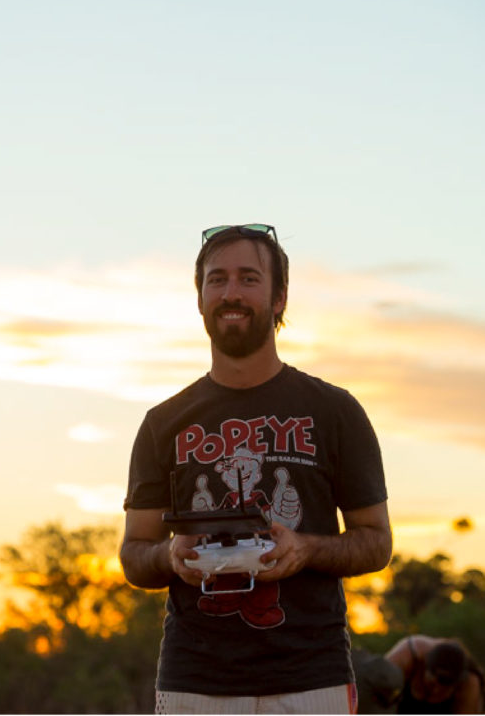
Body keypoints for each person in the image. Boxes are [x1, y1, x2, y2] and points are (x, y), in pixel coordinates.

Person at [119, 224, 392, 714]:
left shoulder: (335, 411)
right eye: (217, 279)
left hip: (312, 680)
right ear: (200, 299)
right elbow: (135, 554)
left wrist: (306, 549)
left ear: (279, 297)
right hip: (194, 684)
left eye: (249, 278)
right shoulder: (163, 423)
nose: (231, 293)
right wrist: (171, 556)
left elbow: (376, 542)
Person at [384, 635, 485, 713]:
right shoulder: (405, 657)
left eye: (446, 687)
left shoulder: (470, 683)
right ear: (425, 668)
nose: (437, 690)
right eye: (432, 684)